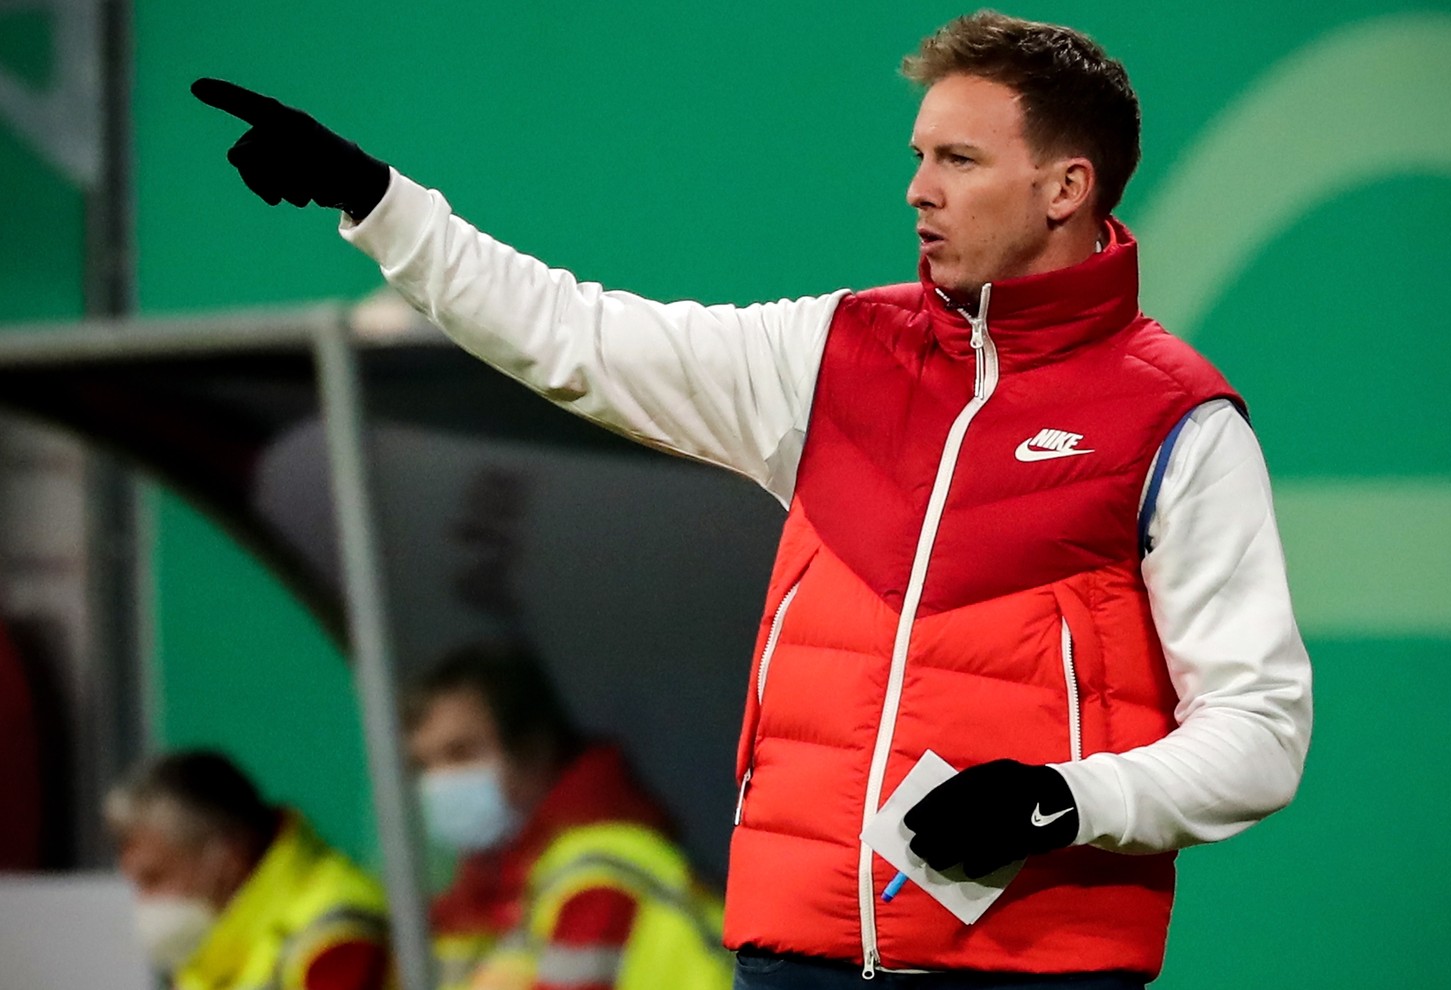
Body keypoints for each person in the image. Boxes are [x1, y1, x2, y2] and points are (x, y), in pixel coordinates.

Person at [192, 10, 1314, 987]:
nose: (917, 189)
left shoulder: (1179, 422)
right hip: (795, 961)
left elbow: (1262, 734)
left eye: (960, 160)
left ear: (1066, 187)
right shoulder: (832, 352)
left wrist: (1062, 802)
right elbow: (573, 333)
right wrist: (379, 204)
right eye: (920, 155)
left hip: (1035, 973)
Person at [404, 642, 732, 990]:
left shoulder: (596, 867)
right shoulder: (493, 893)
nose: (439, 782)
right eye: (424, 765)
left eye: (461, 754)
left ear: (533, 749)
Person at [105, 750, 391, 990]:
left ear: (227, 858)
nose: (143, 901)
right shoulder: (212, 950)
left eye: (153, 878)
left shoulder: (335, 939)